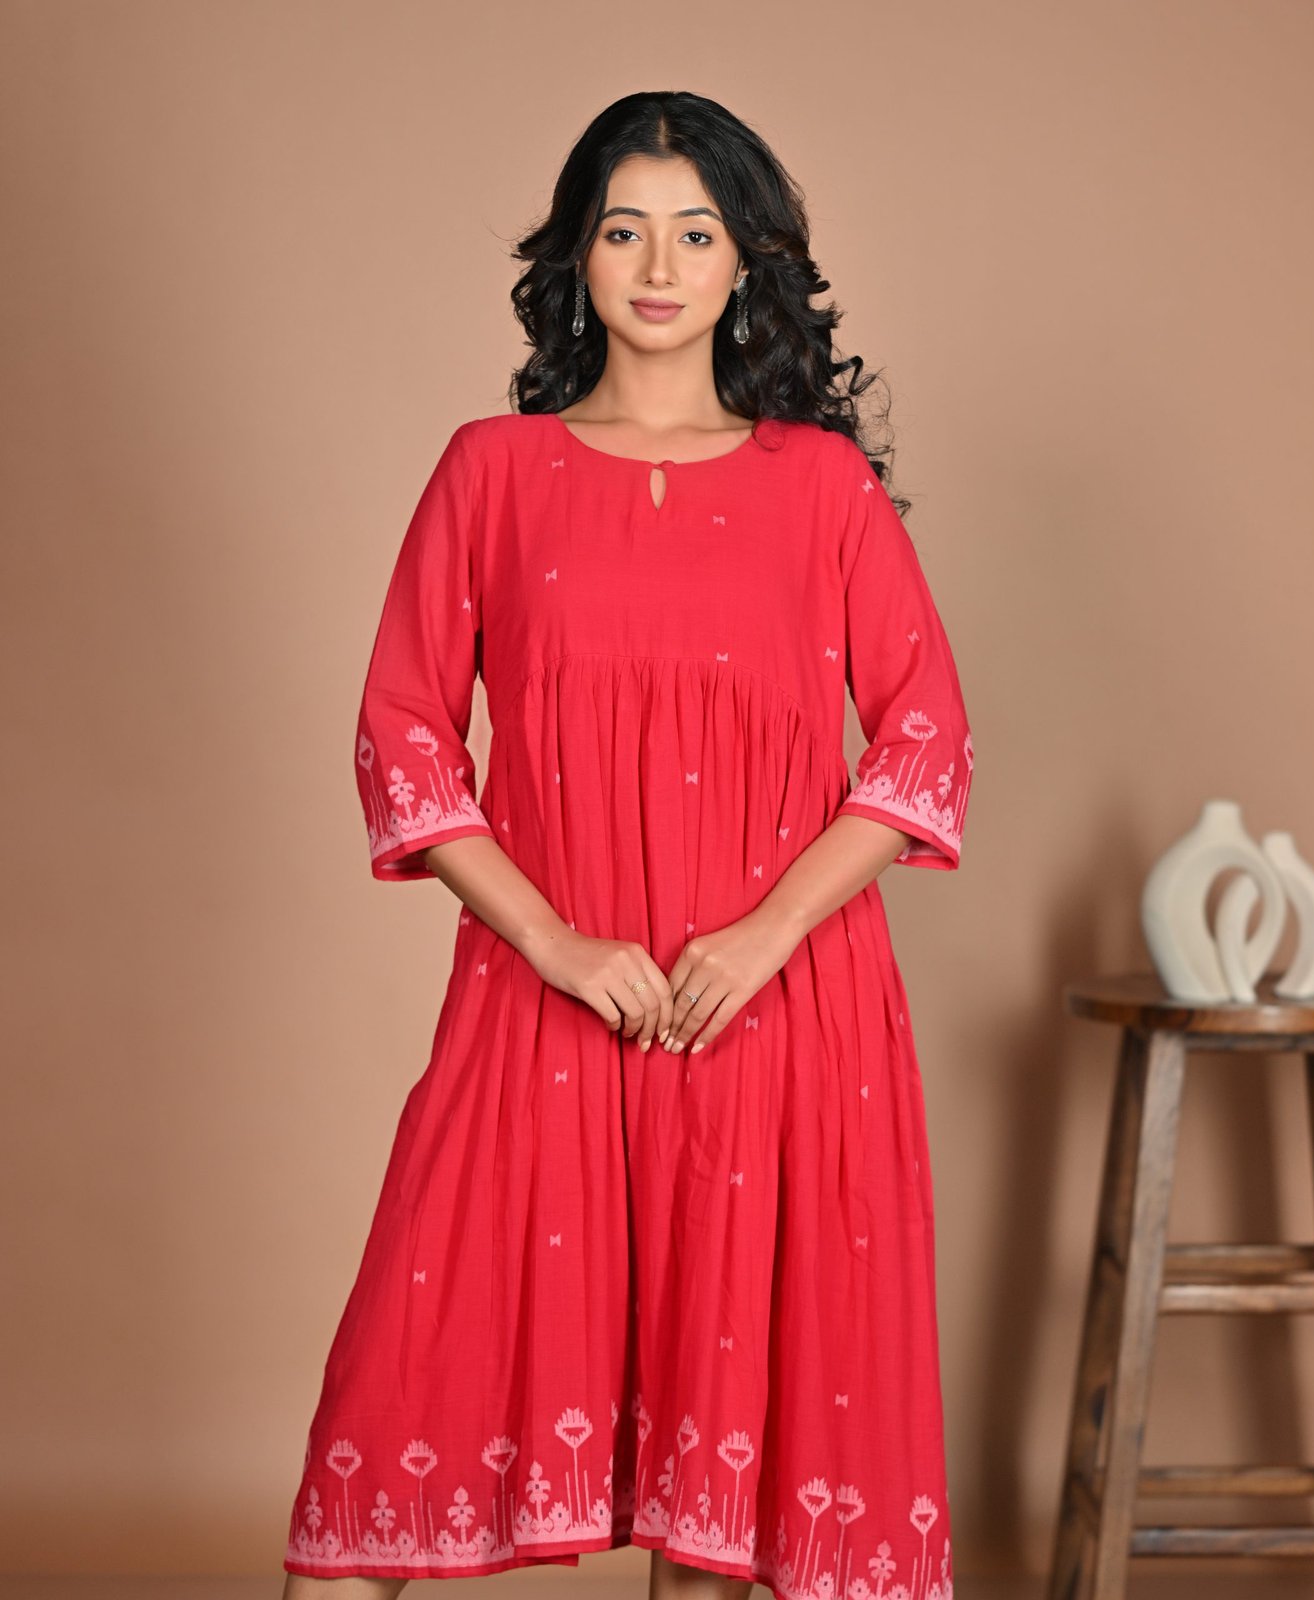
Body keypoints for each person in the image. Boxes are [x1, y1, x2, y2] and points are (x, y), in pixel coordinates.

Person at [281, 90, 973, 1600]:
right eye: (624, 229)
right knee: (382, 1436)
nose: (659, 266)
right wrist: (551, 941)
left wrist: (764, 938)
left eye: (696, 233)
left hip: (771, 1016)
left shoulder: (822, 486)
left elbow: (927, 736)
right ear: (577, 258)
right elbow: (403, 729)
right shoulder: (490, 470)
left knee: (710, 1518)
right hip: (542, 1007)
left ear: (746, 264)